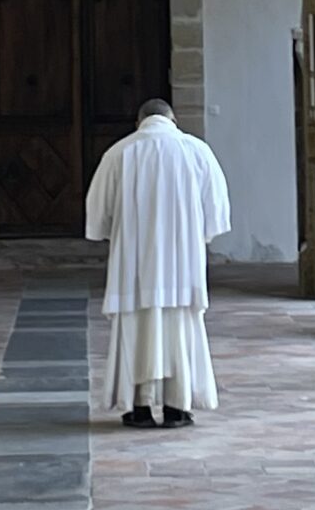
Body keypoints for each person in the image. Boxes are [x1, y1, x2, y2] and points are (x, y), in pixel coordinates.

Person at [86, 97, 229, 428]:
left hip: (133, 266)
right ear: (173, 119)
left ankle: (139, 407)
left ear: (139, 123)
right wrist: (197, 236)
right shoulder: (197, 151)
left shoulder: (119, 153)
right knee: (179, 327)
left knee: (136, 329)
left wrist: (121, 234)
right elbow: (216, 213)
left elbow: (99, 213)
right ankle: (177, 406)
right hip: (182, 265)